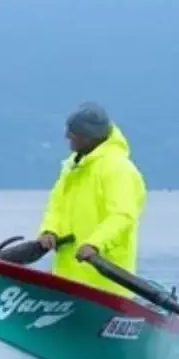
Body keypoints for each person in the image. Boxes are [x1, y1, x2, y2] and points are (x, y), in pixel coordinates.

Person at [37, 101, 147, 297]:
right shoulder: (71, 168)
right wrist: (49, 230)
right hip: (67, 278)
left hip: (105, 285)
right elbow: (56, 205)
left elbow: (122, 216)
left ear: (90, 137)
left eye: (74, 132)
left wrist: (94, 244)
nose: (67, 136)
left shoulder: (118, 169)